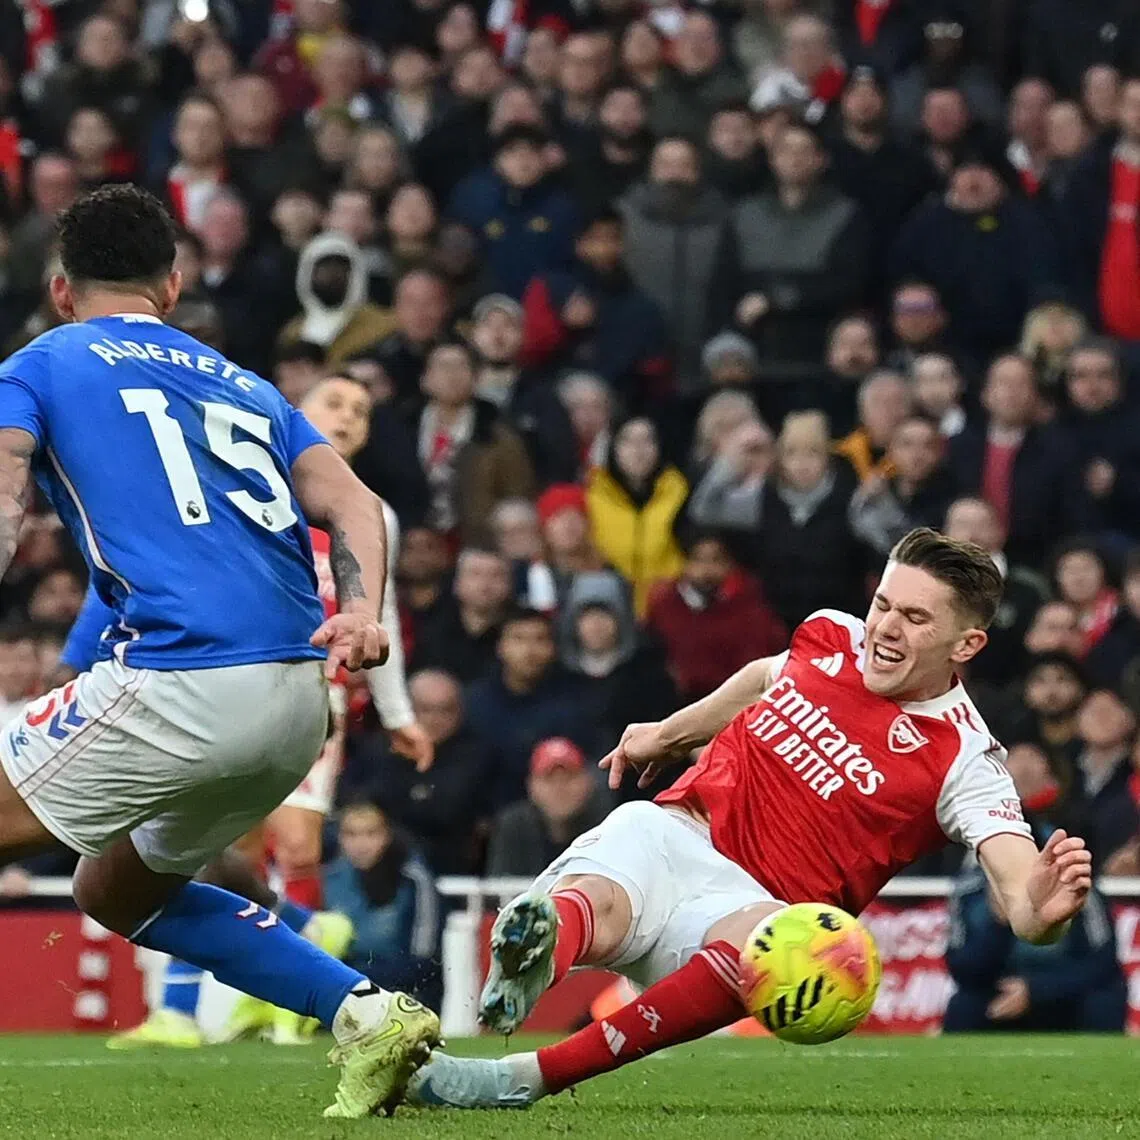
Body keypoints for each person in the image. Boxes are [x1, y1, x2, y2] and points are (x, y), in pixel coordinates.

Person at [0, 185, 437, 1116]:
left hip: (185, 677)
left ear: (61, 290)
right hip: (299, 702)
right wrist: (362, 610)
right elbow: (355, 503)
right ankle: (365, 1013)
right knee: (116, 890)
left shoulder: (40, 362)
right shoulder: (247, 385)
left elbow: (5, 492)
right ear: (173, 285)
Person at [404, 528, 1092, 1109]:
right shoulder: (832, 635)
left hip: (753, 912)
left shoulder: (966, 758)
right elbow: (766, 677)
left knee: (786, 948)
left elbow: (1021, 890)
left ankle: (519, 1077)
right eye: (884, 604)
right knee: (603, 893)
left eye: (916, 619)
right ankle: (540, 955)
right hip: (676, 831)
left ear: (966, 646)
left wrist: (1042, 911)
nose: (885, 628)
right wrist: (669, 733)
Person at [944, 741, 1125, 1034]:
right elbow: (963, 970)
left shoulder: (1069, 876)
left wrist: (1035, 990)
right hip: (1000, 991)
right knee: (964, 1006)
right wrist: (999, 923)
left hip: (1059, 990)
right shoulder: (970, 887)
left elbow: (1101, 963)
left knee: (1103, 1001)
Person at [645, 532, 787, 705]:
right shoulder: (664, 604)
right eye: (699, 560)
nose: (707, 570)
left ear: (730, 565)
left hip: (730, 705)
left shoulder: (749, 606)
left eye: (717, 560)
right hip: (672, 703)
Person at [323, 799, 441, 1005]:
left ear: (386, 836)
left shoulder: (414, 880)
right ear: (340, 838)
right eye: (351, 834)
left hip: (401, 994)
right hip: (342, 993)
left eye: (370, 834)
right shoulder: (328, 880)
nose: (361, 844)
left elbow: (424, 957)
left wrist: (358, 981)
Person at [586, 416, 688, 615]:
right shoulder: (592, 496)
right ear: (613, 448)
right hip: (610, 612)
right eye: (628, 441)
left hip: (669, 609)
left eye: (647, 441)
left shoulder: (680, 493)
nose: (638, 450)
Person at [486, 737, 613, 877]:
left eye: (569, 778)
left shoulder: (606, 827)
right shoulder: (514, 825)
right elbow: (501, 885)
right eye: (549, 779)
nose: (560, 788)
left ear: (588, 782)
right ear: (531, 785)